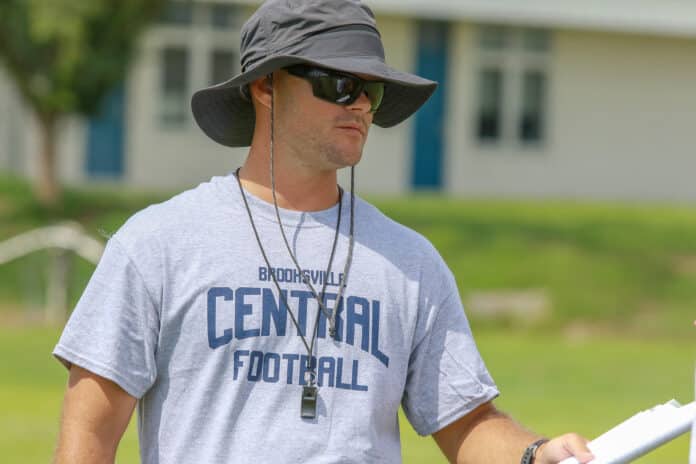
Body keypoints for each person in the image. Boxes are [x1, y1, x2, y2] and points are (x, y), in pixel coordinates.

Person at [52, 1, 594, 463]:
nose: (360, 104)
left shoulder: (411, 261)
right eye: (339, 84)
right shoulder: (157, 244)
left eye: (371, 91)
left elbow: (466, 421)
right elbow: (88, 436)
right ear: (265, 86)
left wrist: (534, 454)